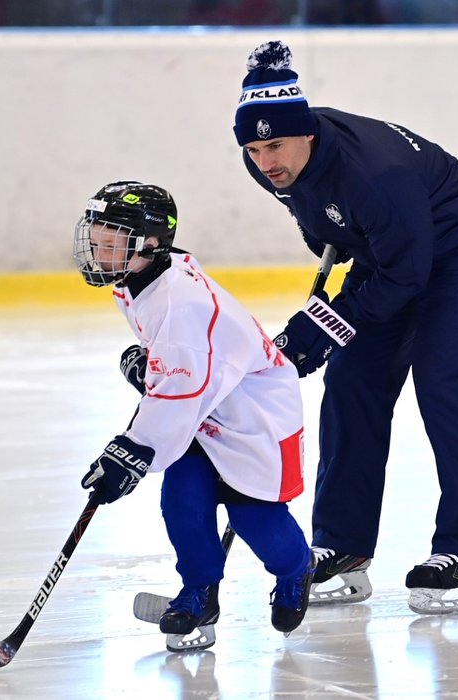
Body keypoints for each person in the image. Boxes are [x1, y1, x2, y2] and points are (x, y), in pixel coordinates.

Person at [232, 40, 458, 614]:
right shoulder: (273, 163)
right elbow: (328, 228)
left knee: (443, 390)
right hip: (390, 256)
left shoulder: (374, 172)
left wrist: (323, 325)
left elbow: (405, 277)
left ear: (307, 133)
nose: (266, 161)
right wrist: (324, 323)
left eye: (276, 145)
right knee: (352, 384)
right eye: (254, 149)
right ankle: (342, 545)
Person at [73, 180, 315, 650]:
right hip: (203, 408)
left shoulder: (181, 302)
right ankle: (199, 592)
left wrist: (133, 452)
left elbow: (180, 392)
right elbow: (184, 369)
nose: (98, 253)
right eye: (96, 240)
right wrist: (152, 365)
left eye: (110, 243)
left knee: (255, 520)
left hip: (253, 419)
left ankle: (296, 567)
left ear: (150, 242)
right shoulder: (140, 276)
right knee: (183, 502)